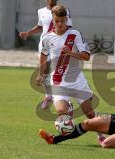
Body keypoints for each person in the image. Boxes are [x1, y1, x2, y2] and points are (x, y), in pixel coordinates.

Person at [35, 5, 105, 143]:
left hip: (76, 81)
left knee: (90, 114)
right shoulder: (47, 37)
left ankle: (101, 136)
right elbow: (43, 55)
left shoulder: (74, 34)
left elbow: (86, 56)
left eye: (63, 20)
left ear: (66, 19)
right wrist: (40, 74)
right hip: (58, 81)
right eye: (57, 21)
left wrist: (71, 53)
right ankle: (68, 107)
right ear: (53, 20)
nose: (60, 24)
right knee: (61, 112)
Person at [19, 0, 73, 109]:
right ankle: (49, 96)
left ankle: (63, 100)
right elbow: (40, 26)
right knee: (44, 71)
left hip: (57, 46)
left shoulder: (64, 11)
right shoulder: (41, 11)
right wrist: (28, 33)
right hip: (44, 45)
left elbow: (69, 27)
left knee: (58, 72)